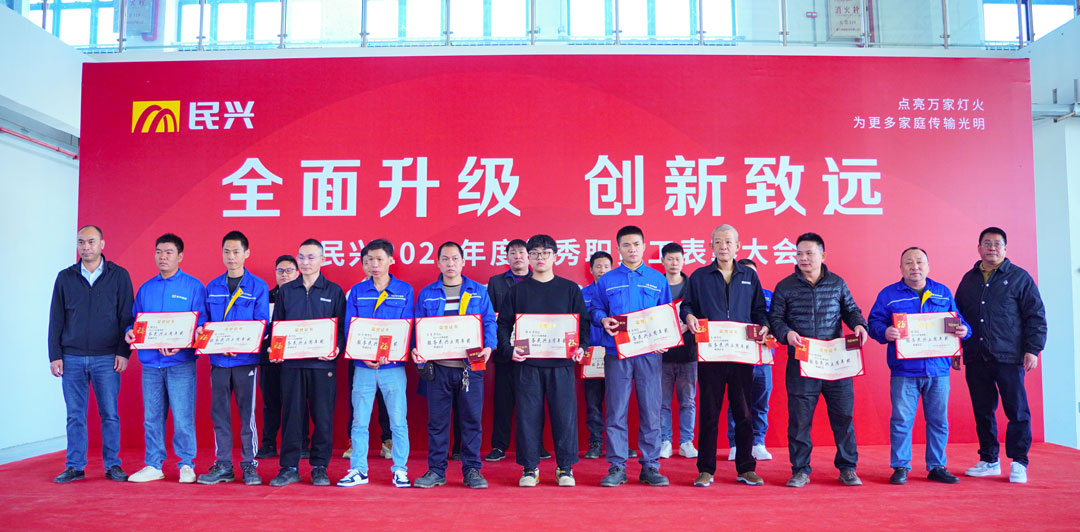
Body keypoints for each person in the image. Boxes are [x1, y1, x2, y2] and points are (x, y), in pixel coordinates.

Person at [768, 232, 868, 488]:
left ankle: (847, 468)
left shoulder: (837, 283)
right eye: (799, 253)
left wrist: (859, 325)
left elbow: (851, 310)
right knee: (799, 420)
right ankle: (800, 470)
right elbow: (775, 319)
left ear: (822, 255)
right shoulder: (785, 286)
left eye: (809, 253)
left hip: (835, 362)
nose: (803, 258)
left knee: (843, 418)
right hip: (802, 362)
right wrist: (786, 334)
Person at [868, 246, 970, 485]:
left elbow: (958, 321)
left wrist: (964, 331)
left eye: (920, 262)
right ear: (900, 267)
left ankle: (937, 466)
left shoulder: (942, 292)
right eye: (909, 262)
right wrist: (885, 331)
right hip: (904, 370)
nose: (915, 266)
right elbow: (873, 322)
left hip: (938, 369)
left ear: (928, 266)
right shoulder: (889, 294)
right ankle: (901, 466)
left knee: (938, 420)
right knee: (901, 420)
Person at [955, 227, 1047, 483]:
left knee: (1017, 411)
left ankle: (1019, 462)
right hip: (976, 355)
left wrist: (1033, 349)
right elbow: (956, 318)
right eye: (987, 243)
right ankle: (989, 460)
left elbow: (1035, 316)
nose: (992, 248)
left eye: (997, 244)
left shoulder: (1020, 278)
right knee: (983, 410)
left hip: (1009, 356)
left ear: (1005, 249)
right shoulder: (969, 279)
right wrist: (954, 350)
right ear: (979, 248)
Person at [680, 225, 769, 487]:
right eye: (718, 242)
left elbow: (759, 310)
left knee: (743, 412)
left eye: (728, 242)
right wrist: (689, 316)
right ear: (711, 246)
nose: (723, 246)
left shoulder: (749, 276)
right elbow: (687, 305)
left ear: (738, 246)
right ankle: (706, 469)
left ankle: (746, 468)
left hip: (742, 354)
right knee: (709, 412)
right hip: (712, 354)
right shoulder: (700, 276)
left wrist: (765, 326)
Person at [497, 234, 589, 487]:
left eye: (545, 253)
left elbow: (583, 323)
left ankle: (565, 468)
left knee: (564, 417)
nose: (540, 258)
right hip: (528, 364)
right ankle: (530, 469)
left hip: (561, 364)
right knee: (527, 417)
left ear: (555, 257)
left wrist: (581, 347)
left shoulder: (570, 289)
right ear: (528, 257)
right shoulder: (518, 291)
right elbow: (503, 324)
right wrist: (508, 350)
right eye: (535, 253)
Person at [48, 225, 134, 483]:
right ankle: (75, 466)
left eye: (91, 241)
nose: (86, 246)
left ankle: (113, 465)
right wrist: (55, 355)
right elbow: (56, 318)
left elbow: (126, 317)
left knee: (110, 414)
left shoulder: (119, 276)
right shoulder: (65, 277)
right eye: (81, 242)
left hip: (107, 357)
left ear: (102, 244)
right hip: (71, 357)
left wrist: (123, 352)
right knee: (75, 415)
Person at [588, 225, 671, 488]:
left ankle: (650, 466)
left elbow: (666, 314)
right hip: (618, 353)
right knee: (616, 410)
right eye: (626, 245)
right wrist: (603, 320)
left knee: (651, 410)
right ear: (618, 249)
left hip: (649, 354)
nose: (632, 249)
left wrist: (665, 340)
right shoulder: (607, 280)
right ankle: (617, 466)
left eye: (636, 244)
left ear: (644, 246)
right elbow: (596, 309)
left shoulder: (658, 279)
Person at [411, 242, 497, 489]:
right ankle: (436, 470)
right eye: (445, 259)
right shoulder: (427, 293)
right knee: (437, 423)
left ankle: (472, 470)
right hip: (438, 368)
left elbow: (489, 322)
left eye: (455, 259)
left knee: (471, 421)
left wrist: (489, 347)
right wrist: (416, 348)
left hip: (471, 367)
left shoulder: (478, 291)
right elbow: (419, 326)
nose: (450, 263)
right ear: (438, 263)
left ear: (463, 262)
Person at [125, 233, 208, 483]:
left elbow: (202, 324)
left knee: (183, 417)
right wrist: (129, 331)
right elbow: (135, 320)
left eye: (169, 252)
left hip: (180, 363)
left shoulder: (193, 287)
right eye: (159, 252)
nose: (163, 257)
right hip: (151, 364)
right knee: (152, 418)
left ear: (180, 256)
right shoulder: (146, 289)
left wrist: (181, 345)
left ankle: (186, 464)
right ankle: (153, 464)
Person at [268, 239, 346, 487]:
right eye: (301, 257)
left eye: (311, 257)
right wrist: (275, 350)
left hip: (322, 365)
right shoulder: (286, 291)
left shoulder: (334, 291)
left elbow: (341, 329)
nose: (305, 262)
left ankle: (320, 467)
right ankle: (289, 467)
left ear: (323, 260)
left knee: (322, 417)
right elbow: (277, 326)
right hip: (292, 365)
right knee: (291, 417)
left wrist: (336, 349)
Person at [338, 239, 413, 488]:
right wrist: (363, 356)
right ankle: (358, 469)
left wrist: (393, 354)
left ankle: (400, 469)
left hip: (393, 367)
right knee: (359, 421)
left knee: (398, 421)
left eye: (380, 259)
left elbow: (407, 328)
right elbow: (350, 327)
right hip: (363, 367)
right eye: (369, 259)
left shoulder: (404, 290)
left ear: (391, 260)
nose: (374, 264)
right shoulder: (357, 291)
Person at [197, 231, 270, 486]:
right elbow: (204, 322)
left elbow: (262, 324)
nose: (231, 256)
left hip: (245, 361)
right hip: (218, 361)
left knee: (247, 415)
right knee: (219, 414)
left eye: (236, 251)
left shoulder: (258, 286)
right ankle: (224, 465)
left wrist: (237, 345)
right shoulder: (212, 287)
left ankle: (249, 464)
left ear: (246, 253)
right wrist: (214, 340)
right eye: (227, 251)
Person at [485, 239, 549, 462]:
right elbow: (490, 316)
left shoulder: (539, 279)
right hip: (505, 350)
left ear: (529, 256)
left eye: (522, 252)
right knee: (503, 402)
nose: (518, 256)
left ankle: (536, 445)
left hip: (533, 352)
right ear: (507, 257)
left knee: (534, 401)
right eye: (513, 253)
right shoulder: (496, 282)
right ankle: (499, 446)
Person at [255, 255, 308, 460]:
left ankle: (301, 444)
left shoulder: (304, 296)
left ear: (297, 273)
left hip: (296, 358)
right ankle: (268, 443)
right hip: (270, 358)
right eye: (280, 271)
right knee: (271, 402)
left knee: (297, 402)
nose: (284, 275)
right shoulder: (266, 297)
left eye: (289, 271)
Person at [726, 258, 775, 461]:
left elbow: (779, 321)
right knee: (737, 402)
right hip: (738, 358)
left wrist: (772, 331)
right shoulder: (728, 297)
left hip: (763, 359)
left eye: (752, 273)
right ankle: (735, 444)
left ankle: (758, 442)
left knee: (761, 402)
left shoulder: (769, 296)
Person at [658, 242, 698, 460]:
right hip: (661, 354)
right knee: (662, 402)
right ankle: (665, 441)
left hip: (688, 352)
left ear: (684, 261)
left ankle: (686, 442)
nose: (674, 263)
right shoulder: (656, 284)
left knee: (688, 401)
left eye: (678, 259)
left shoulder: (693, 286)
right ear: (662, 260)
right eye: (670, 259)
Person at [581, 251, 613, 460]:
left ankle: (616, 444)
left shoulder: (616, 292)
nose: (602, 270)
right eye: (598, 266)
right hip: (591, 356)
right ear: (591, 269)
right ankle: (595, 442)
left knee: (616, 402)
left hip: (615, 354)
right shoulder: (582, 294)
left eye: (606, 266)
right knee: (593, 403)